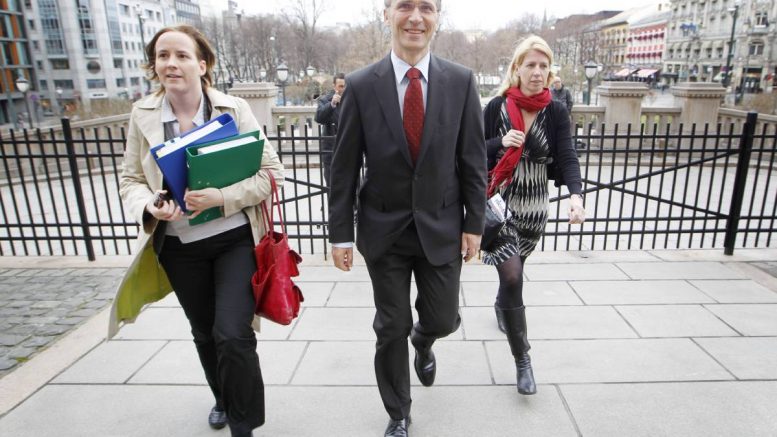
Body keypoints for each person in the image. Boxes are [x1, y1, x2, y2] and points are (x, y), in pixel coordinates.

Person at [328, 1, 487, 436]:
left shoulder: (461, 81)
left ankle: (424, 339)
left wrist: (474, 224)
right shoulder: (362, 84)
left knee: (442, 319)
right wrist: (340, 235)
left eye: (426, 7)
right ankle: (398, 412)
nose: (415, 17)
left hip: (442, 226)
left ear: (437, 17)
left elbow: (473, 160)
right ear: (387, 14)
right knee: (390, 327)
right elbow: (344, 168)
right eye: (404, 5)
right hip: (384, 231)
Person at [117, 25, 284, 437]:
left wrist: (221, 197)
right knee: (205, 333)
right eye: (162, 56)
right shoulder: (143, 114)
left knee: (233, 334)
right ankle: (222, 398)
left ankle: (243, 425)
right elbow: (131, 179)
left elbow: (271, 173)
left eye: (182, 55)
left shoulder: (233, 110)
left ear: (202, 64)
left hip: (234, 241)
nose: (171, 63)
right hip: (179, 247)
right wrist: (150, 205)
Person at [481, 35, 585, 396]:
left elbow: (567, 155)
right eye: (531, 65)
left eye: (544, 66)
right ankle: (523, 359)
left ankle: (502, 304)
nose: (538, 72)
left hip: (535, 206)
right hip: (499, 204)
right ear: (517, 68)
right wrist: (499, 143)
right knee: (512, 276)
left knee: (516, 271)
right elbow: (470, 151)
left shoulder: (555, 111)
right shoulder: (496, 107)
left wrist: (576, 196)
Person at [314, 73, 346, 187]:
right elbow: (318, 118)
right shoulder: (325, 100)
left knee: (351, 187)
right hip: (331, 149)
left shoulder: (352, 99)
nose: (343, 89)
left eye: (345, 86)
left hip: (348, 150)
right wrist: (332, 104)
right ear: (334, 86)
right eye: (340, 86)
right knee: (332, 186)